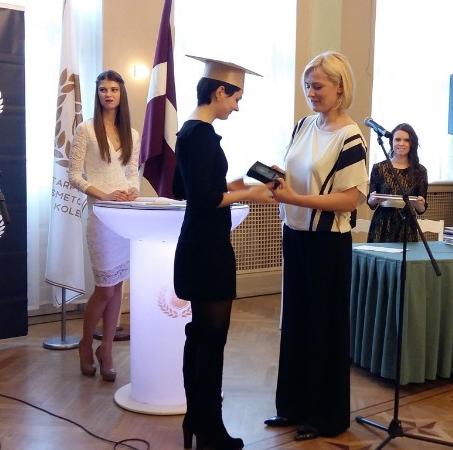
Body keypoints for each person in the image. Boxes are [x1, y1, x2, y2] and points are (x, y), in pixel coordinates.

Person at [264, 51, 369, 441]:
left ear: (340, 87)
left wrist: (296, 198)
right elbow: (297, 173)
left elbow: (351, 198)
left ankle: (326, 416)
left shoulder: (350, 136)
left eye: (318, 86)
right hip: (295, 234)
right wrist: (280, 177)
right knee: (296, 322)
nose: (311, 93)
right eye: (307, 86)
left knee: (323, 328)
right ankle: (293, 407)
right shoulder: (304, 125)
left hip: (327, 243)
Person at [173, 55, 275, 450]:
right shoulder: (203, 136)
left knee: (200, 337)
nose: (237, 106)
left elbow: (184, 187)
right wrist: (251, 193)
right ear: (219, 91)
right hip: (208, 250)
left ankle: (197, 420)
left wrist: (230, 185)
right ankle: (210, 430)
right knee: (211, 341)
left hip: (196, 246)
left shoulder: (188, 131)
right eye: (236, 98)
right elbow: (201, 198)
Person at [69, 70, 140, 382]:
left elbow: (132, 172)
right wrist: (104, 195)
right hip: (100, 213)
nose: (108, 94)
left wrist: (133, 190)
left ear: (121, 94)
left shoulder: (132, 133)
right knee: (105, 288)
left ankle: (106, 349)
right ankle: (86, 344)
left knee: (118, 287)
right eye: (103, 90)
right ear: (97, 95)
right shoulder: (86, 129)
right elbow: (74, 176)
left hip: (125, 215)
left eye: (113, 89)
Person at [366, 123, 428, 243]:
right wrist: (372, 200)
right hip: (382, 223)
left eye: (406, 140)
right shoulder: (379, 168)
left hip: (407, 223)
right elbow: (371, 204)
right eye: (397, 139)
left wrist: (419, 204)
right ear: (391, 142)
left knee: (407, 254)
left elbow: (421, 209)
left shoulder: (420, 171)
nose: (401, 143)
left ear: (412, 143)